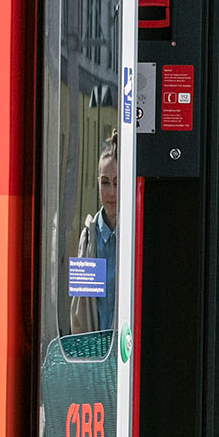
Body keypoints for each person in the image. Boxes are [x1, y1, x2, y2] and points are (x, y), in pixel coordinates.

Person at [73, 136, 120, 334]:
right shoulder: (89, 238)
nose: (111, 193)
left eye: (117, 183)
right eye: (105, 183)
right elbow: (80, 309)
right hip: (96, 348)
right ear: (98, 183)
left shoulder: (133, 238)